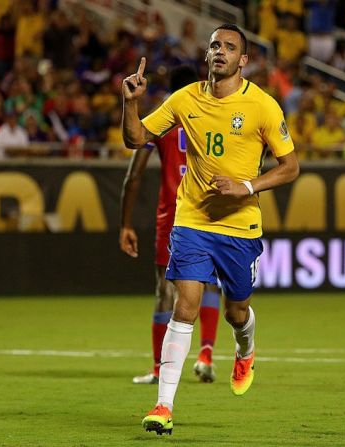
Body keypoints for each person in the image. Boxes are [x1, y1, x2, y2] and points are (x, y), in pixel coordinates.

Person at [121, 24, 299, 435]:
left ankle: (245, 349)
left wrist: (249, 186)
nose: (220, 51)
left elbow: (291, 167)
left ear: (244, 60)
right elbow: (136, 139)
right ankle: (163, 406)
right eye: (214, 45)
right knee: (184, 305)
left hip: (240, 226)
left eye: (229, 47)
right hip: (193, 219)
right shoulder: (184, 98)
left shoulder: (263, 106)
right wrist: (130, 103)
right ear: (207, 55)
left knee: (237, 312)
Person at [119, 65, 221, 386]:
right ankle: (205, 354)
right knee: (211, 284)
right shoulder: (214, 115)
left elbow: (133, 175)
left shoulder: (162, 119)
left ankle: (159, 369)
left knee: (165, 291)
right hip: (211, 213)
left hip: (174, 216)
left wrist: (125, 223)